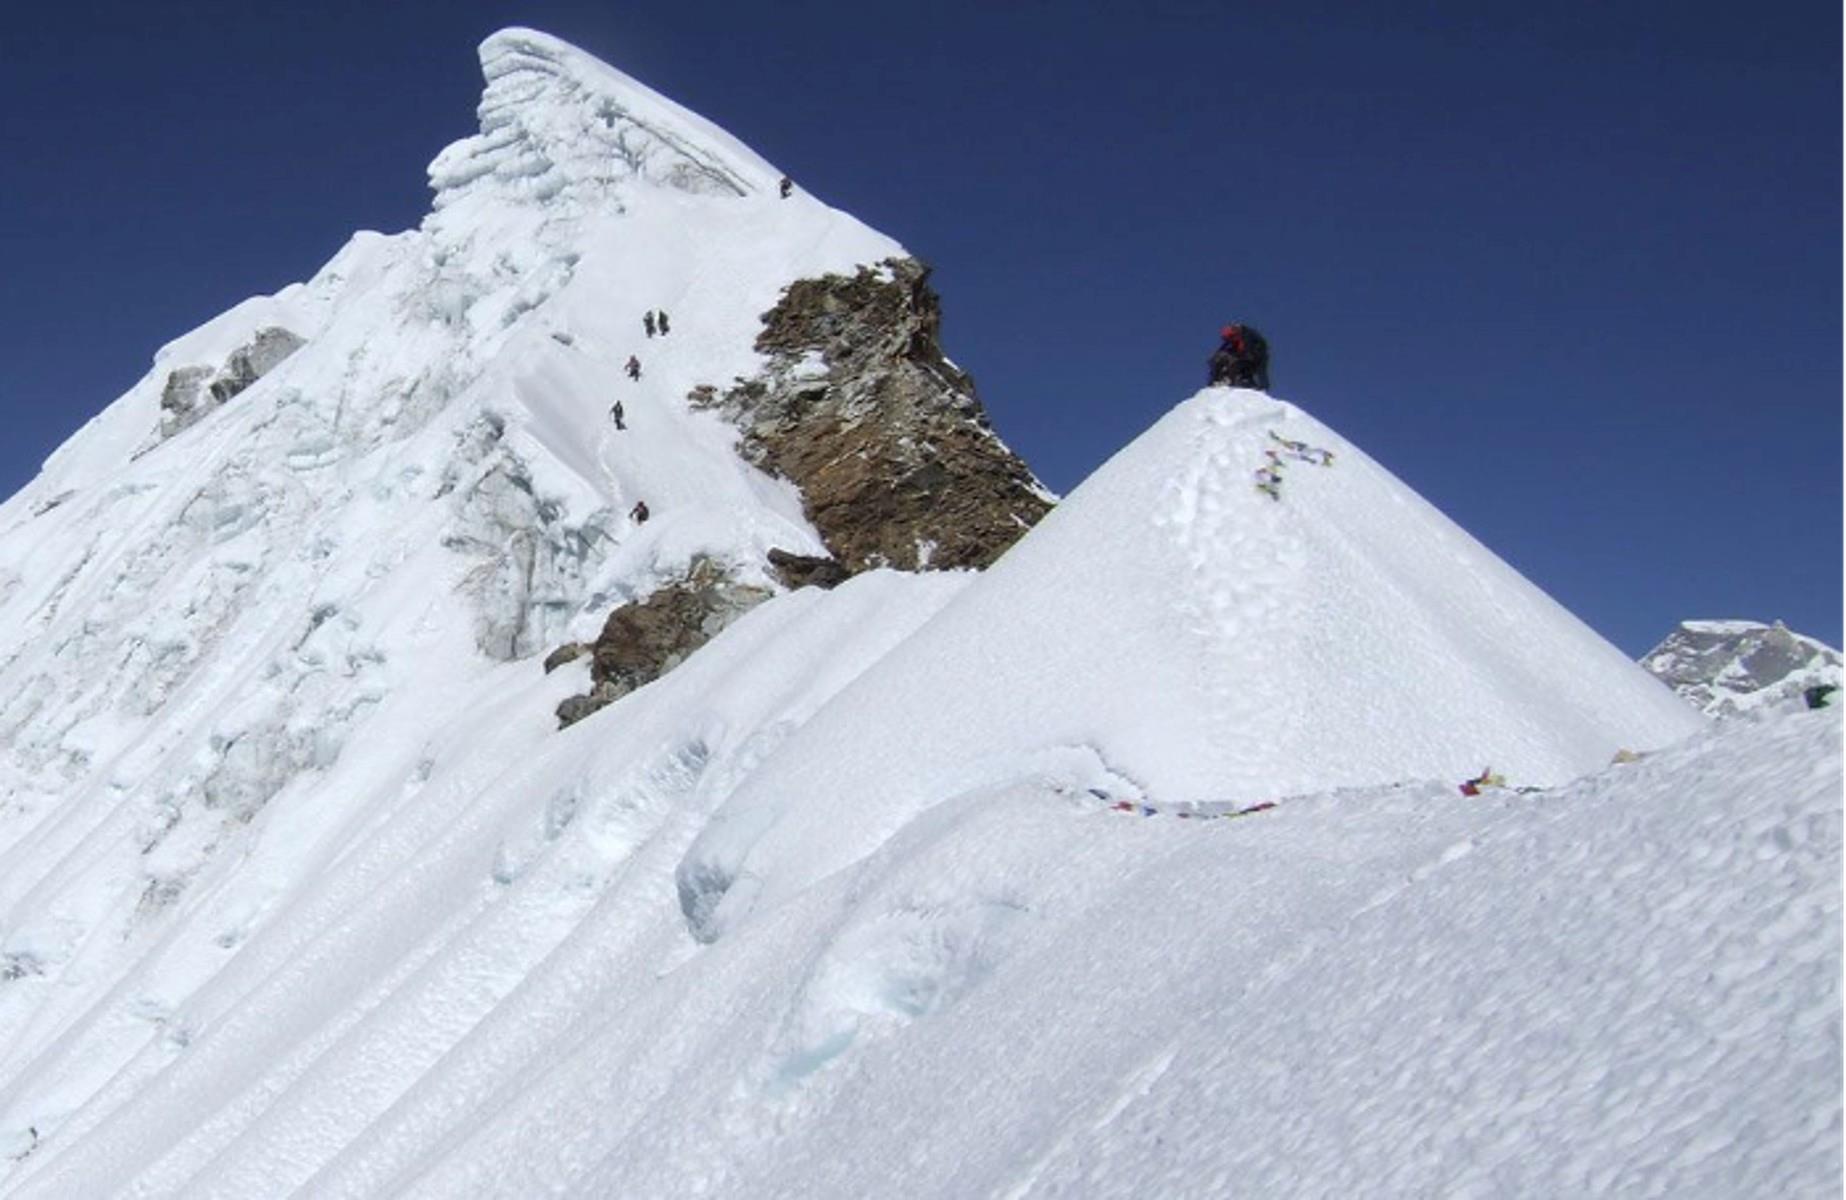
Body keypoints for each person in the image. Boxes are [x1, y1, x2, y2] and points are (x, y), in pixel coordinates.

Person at [1208, 323, 1270, 390]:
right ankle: (1246, 382)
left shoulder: (1247, 335)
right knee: (1236, 365)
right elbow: (1225, 346)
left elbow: (1251, 346)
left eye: (1231, 337)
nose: (1230, 340)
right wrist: (1216, 355)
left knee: (1260, 370)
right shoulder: (1236, 335)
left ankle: (1263, 387)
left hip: (1258, 355)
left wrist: (1249, 354)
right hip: (1247, 356)